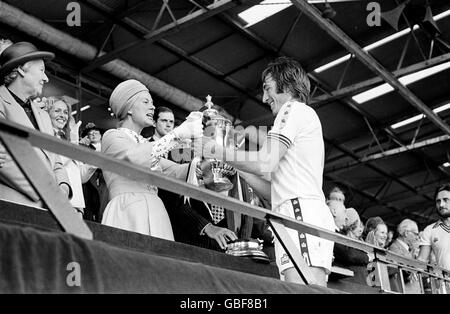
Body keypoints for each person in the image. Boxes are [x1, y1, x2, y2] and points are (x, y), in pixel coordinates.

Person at [201, 57, 335, 286]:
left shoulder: (292, 109)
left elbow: (264, 162)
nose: (264, 98)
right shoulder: (301, 116)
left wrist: (218, 150)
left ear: (288, 84)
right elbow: (274, 193)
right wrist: (236, 167)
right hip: (295, 214)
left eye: (267, 88)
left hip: (299, 216)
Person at [101, 79, 202, 240]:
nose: (153, 107)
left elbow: (176, 172)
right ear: (129, 108)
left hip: (156, 211)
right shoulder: (112, 136)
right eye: (146, 101)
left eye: (152, 103)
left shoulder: (146, 144)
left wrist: (204, 163)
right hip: (128, 212)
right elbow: (134, 157)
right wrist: (177, 135)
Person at [0, 41, 71, 207]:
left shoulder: (44, 116)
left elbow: (56, 160)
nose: (46, 78)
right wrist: (47, 193)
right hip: (11, 206)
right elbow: (4, 161)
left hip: (47, 209)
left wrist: (64, 187)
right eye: (41, 71)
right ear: (21, 69)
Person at [46, 97, 97, 217]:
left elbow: (81, 177)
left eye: (65, 112)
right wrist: (74, 144)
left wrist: (94, 162)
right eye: (57, 111)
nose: (62, 115)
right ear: (47, 114)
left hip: (77, 205)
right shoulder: (45, 136)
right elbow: (55, 163)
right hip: (58, 201)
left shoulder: (66, 141)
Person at [79, 122, 108, 222]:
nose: (93, 134)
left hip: (104, 179)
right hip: (90, 179)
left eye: (96, 132)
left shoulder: (107, 148)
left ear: (101, 135)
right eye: (90, 133)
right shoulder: (83, 147)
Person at [418, 183, 450, 270]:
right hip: (445, 282)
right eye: (438, 201)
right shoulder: (429, 230)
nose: (441, 204)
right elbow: (421, 261)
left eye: (445, 200)